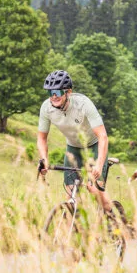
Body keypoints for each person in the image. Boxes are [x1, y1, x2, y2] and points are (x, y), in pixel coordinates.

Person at [36, 69, 114, 212]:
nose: (54, 96)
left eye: (58, 92)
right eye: (50, 92)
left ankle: (115, 218)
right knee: (70, 194)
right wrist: (44, 159)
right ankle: (74, 224)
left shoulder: (83, 104)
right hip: (73, 148)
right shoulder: (46, 108)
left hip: (94, 145)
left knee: (93, 188)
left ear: (68, 92)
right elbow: (41, 138)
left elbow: (103, 136)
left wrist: (98, 164)